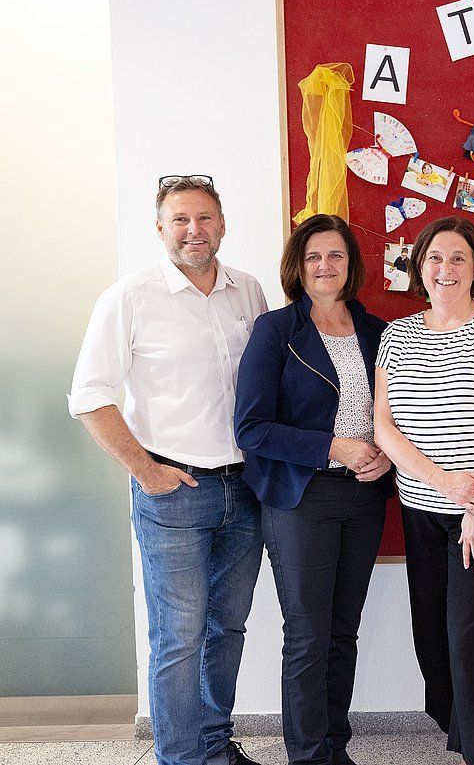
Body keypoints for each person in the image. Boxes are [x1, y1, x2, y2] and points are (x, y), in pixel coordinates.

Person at [68, 175, 266, 765]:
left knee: (228, 629)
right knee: (178, 636)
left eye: (204, 218)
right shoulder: (130, 297)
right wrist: (145, 470)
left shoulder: (248, 291)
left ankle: (214, 746)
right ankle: (179, 758)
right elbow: (89, 396)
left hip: (244, 487)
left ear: (223, 225)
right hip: (173, 491)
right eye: (180, 219)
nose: (193, 230)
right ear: (160, 229)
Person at [372, 217, 474, 765]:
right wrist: (444, 484)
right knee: (432, 639)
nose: (446, 268)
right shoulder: (396, 336)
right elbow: (384, 428)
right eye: (435, 258)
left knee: (472, 642)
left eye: (458, 258)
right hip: (423, 508)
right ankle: (460, 732)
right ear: (420, 267)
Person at [234, 214, 392, 765]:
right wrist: (333, 447)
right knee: (307, 634)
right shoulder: (276, 330)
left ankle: (333, 748)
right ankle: (307, 756)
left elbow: (395, 415)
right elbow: (251, 428)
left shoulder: (377, 331)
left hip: (365, 496)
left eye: (336, 255)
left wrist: (385, 459)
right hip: (301, 497)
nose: (325, 266)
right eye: (313, 257)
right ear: (298, 267)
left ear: (351, 264)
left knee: (343, 631)